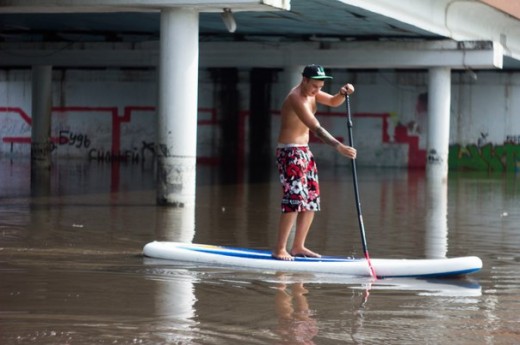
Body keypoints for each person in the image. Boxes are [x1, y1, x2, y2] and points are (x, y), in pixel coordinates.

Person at [273, 64, 357, 261]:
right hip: (289, 152)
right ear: (304, 80)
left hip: (304, 152)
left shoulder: (313, 93)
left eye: (319, 87)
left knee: (311, 200)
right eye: (314, 86)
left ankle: (298, 246)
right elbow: (316, 128)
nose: (317, 91)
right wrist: (339, 147)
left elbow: (334, 102)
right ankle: (279, 249)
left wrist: (343, 93)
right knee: (294, 201)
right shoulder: (296, 97)